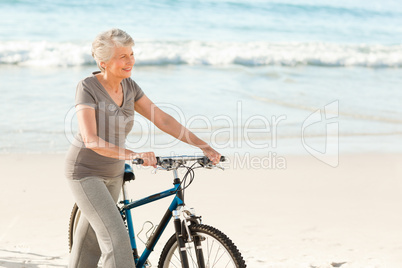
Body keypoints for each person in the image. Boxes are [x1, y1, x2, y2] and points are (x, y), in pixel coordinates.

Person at [64, 28, 221, 268]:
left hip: (113, 172)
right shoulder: (87, 87)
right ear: (103, 62)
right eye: (122, 56)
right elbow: (90, 139)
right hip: (85, 173)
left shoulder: (130, 87)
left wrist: (203, 145)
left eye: (131, 54)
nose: (130, 61)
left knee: (90, 243)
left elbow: (163, 120)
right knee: (117, 242)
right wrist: (133, 154)